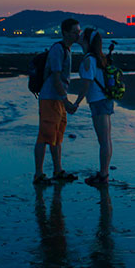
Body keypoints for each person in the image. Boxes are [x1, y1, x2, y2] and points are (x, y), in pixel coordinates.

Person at [34, 18, 80, 184]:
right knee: (45, 136)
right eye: (75, 32)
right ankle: (38, 174)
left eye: (79, 32)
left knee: (57, 135)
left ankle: (58, 170)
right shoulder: (58, 50)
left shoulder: (67, 50)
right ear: (66, 33)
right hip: (50, 98)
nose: (78, 35)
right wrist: (65, 100)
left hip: (57, 99)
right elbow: (55, 77)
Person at [75, 28, 114, 187]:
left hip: (98, 101)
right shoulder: (99, 58)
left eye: (81, 34)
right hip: (104, 100)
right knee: (106, 140)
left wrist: (76, 102)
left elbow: (86, 83)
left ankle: (103, 175)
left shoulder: (89, 59)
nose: (78, 35)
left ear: (86, 40)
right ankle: (103, 173)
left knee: (103, 140)